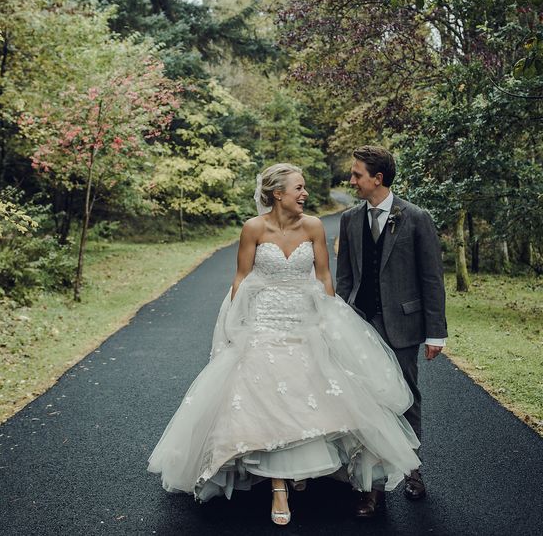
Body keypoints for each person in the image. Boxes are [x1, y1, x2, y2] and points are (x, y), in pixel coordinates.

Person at [148, 163, 421, 526]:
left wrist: (330, 322)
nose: (304, 194)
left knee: (310, 392)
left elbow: (324, 277)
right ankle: (278, 486)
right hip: (264, 320)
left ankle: (303, 466)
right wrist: (234, 324)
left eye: (304, 188)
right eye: (299, 188)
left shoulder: (313, 227)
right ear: (278, 194)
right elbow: (242, 279)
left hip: (306, 318)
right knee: (266, 395)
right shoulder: (253, 229)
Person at [336, 145, 447, 516]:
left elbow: (432, 278)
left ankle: (413, 470)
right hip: (358, 324)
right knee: (363, 402)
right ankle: (371, 487)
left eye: (357, 175)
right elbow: (345, 277)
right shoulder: (350, 219)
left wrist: (436, 332)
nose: (351, 180)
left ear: (377, 179)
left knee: (404, 398)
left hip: (402, 324)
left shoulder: (416, 217)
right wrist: (339, 318)